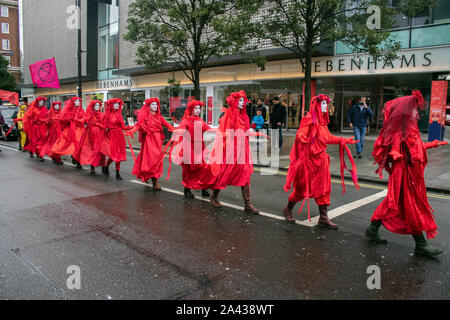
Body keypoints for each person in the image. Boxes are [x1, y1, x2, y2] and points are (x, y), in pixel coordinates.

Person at [365, 90, 448, 258]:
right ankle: (421, 244)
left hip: (413, 175)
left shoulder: (412, 129)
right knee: (407, 205)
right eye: (414, 109)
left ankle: (373, 229)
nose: (417, 113)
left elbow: (416, 149)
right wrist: (394, 153)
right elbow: (391, 147)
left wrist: (432, 144)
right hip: (404, 174)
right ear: (406, 111)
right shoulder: (399, 132)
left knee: (397, 204)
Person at [283, 94, 359, 228]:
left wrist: (344, 140)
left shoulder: (323, 122)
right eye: (323, 104)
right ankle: (288, 209)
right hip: (308, 162)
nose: (326, 106)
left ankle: (323, 218)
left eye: (326, 104)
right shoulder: (309, 119)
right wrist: (301, 137)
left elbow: (328, 138)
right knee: (301, 189)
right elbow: (301, 131)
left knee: (324, 189)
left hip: (321, 161)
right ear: (317, 105)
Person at [209, 90, 266, 214]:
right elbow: (224, 132)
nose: (242, 102)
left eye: (243, 100)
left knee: (245, 174)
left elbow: (245, 132)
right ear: (234, 101)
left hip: (242, 149)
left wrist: (257, 133)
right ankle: (214, 195)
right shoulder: (228, 115)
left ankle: (248, 204)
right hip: (231, 150)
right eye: (240, 100)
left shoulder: (243, 115)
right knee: (225, 174)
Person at [125, 97, 175, 190]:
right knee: (151, 161)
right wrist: (131, 131)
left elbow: (168, 125)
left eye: (156, 104)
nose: (155, 106)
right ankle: (154, 182)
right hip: (149, 140)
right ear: (148, 106)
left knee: (157, 161)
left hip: (158, 141)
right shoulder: (145, 117)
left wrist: (179, 130)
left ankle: (152, 179)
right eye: (153, 104)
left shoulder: (159, 117)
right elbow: (139, 125)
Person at [169, 100, 215, 199]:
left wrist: (222, 131)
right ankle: (187, 189)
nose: (198, 110)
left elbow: (209, 129)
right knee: (188, 170)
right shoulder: (186, 121)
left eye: (199, 108)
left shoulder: (201, 121)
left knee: (203, 168)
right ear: (191, 109)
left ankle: (203, 188)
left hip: (200, 148)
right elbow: (181, 132)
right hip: (189, 148)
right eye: (196, 108)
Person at [73, 100, 106, 175]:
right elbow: (83, 120)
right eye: (96, 106)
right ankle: (92, 166)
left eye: (98, 105)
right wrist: (75, 118)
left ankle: (103, 165)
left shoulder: (102, 114)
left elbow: (105, 124)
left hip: (100, 134)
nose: (97, 107)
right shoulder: (89, 114)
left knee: (101, 150)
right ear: (93, 107)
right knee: (93, 150)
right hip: (91, 135)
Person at [52, 97, 85, 169]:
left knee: (80, 146)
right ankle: (75, 158)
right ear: (73, 102)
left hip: (80, 130)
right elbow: (62, 119)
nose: (78, 102)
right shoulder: (69, 110)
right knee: (68, 144)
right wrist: (70, 119)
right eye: (76, 101)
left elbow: (84, 118)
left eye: (79, 101)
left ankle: (77, 160)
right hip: (71, 130)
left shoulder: (81, 110)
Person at [102, 98, 127, 181]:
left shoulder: (119, 115)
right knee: (114, 155)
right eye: (115, 104)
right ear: (111, 105)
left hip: (119, 136)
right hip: (112, 136)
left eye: (118, 104)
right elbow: (104, 127)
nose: (116, 105)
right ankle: (106, 165)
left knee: (119, 155)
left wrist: (134, 127)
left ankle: (117, 173)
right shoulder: (107, 115)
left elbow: (123, 126)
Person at [22, 96, 48, 161]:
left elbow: (47, 117)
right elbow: (28, 117)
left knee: (42, 142)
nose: (42, 102)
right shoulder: (33, 109)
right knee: (35, 141)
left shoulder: (45, 108)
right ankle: (38, 154)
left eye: (43, 101)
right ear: (37, 102)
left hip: (42, 128)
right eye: (40, 101)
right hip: (35, 128)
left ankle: (39, 154)